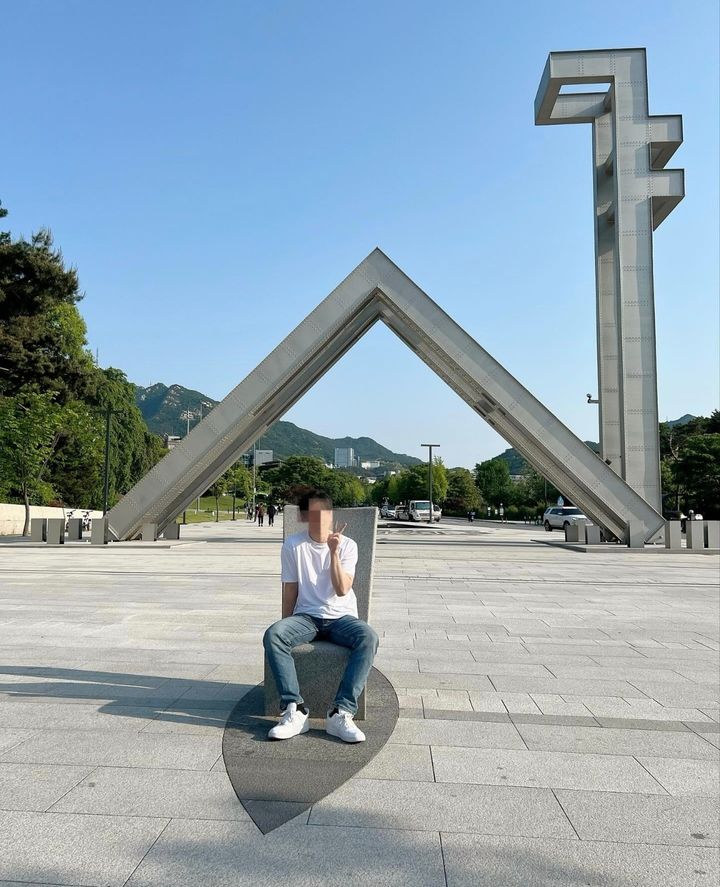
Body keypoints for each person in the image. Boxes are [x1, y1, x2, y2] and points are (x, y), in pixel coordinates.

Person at [262, 489, 379, 743]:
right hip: (307, 617)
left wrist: (333, 552)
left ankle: (341, 712)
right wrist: (286, 624)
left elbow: (342, 589)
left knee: (368, 637)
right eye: (311, 514)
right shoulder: (293, 545)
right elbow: (290, 588)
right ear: (304, 517)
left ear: (331, 514)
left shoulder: (348, 545)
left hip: (342, 619)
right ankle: (295, 709)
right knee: (274, 635)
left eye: (323, 513)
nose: (318, 519)